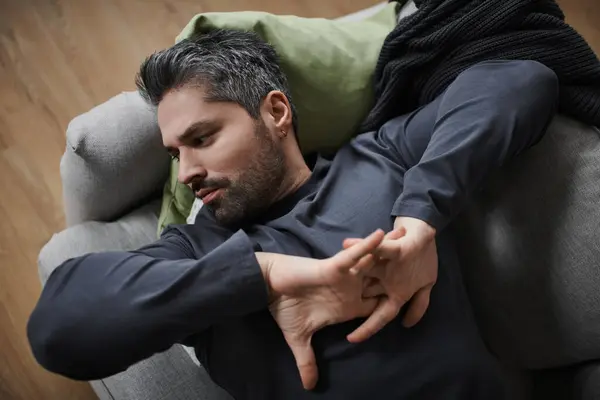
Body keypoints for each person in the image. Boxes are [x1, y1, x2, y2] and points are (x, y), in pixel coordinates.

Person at [27, 29, 558, 400]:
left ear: (276, 113)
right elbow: (57, 328)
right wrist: (260, 275)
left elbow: (521, 81)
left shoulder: (380, 158)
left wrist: (421, 219)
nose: (186, 172)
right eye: (174, 154)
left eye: (202, 138)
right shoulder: (197, 254)